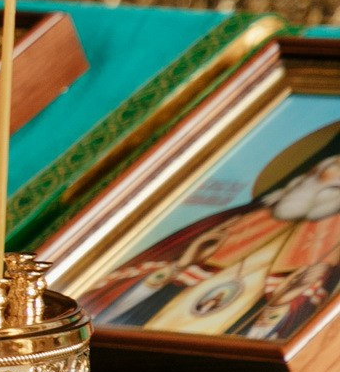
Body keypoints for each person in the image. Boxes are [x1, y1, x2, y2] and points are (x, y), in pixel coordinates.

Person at [80, 146, 340, 341]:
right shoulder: (235, 221)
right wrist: (179, 266)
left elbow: (295, 328)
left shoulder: (329, 251)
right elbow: (137, 278)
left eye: (332, 188)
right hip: (143, 328)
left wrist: (282, 302)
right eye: (314, 175)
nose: (311, 187)